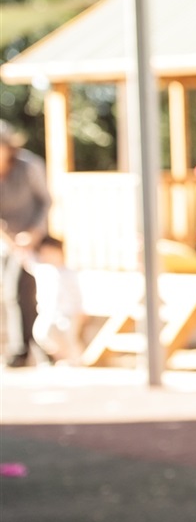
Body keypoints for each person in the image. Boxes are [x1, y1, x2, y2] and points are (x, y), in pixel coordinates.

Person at [0, 120, 52, 368]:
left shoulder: (29, 165)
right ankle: (22, 348)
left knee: (32, 292)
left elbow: (46, 202)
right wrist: (11, 241)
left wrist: (32, 234)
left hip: (36, 237)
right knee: (11, 292)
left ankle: (35, 347)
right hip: (9, 241)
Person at [31, 235, 85, 366]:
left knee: (69, 338)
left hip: (69, 313)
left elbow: (77, 294)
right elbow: (23, 255)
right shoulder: (42, 270)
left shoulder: (69, 273)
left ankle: (75, 360)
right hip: (48, 313)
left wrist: (80, 311)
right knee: (42, 333)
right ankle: (61, 357)